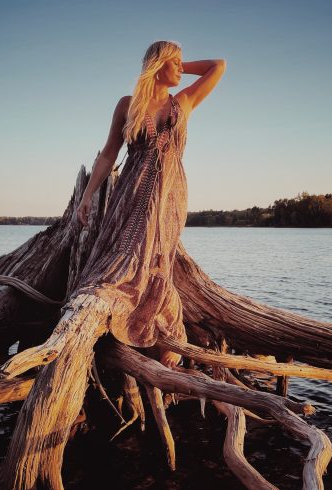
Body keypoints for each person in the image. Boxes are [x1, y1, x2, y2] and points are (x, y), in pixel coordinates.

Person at [73, 40, 225, 368]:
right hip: (130, 192)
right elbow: (109, 153)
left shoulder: (183, 101)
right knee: (123, 259)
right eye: (176, 63)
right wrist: (86, 196)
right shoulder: (128, 105)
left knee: (158, 259)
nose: (182, 68)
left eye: (183, 62)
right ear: (158, 65)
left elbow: (219, 66)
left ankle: (163, 334)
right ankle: (118, 322)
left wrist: (182, 63)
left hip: (169, 195)